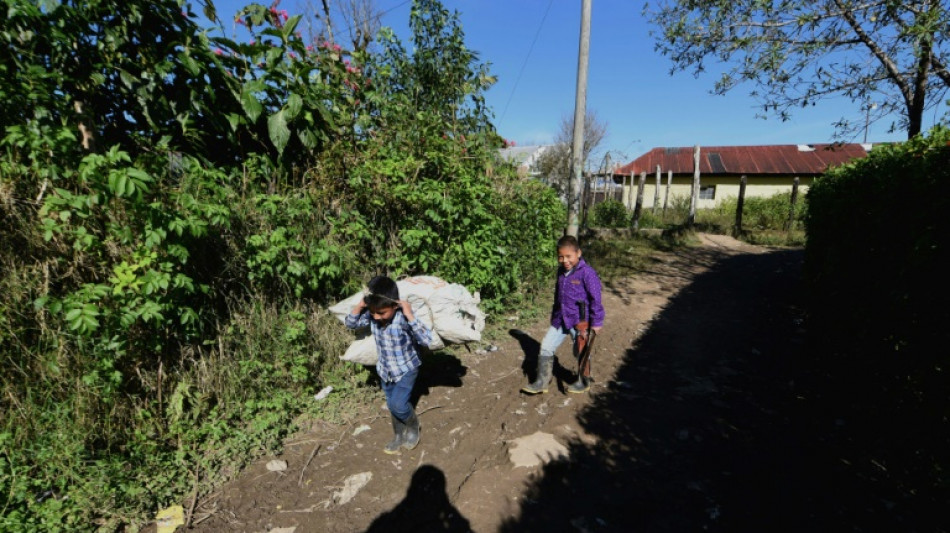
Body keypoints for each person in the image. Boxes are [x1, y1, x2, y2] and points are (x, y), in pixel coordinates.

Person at [345, 275, 433, 454]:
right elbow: (351, 323)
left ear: (395, 305)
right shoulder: (372, 316)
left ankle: (413, 425)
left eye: (382, 313)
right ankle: (398, 435)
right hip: (385, 370)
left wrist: (409, 314)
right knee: (392, 404)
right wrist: (361, 305)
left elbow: (426, 339)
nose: (377, 317)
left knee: (399, 405)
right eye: (373, 312)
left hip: (407, 368)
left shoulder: (402, 319)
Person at [522, 235, 604, 394]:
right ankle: (542, 381)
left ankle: (584, 380)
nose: (565, 260)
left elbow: (596, 299)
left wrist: (597, 322)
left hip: (579, 321)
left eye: (569, 256)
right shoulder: (561, 272)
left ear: (578, 253)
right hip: (561, 319)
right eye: (561, 256)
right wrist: (554, 316)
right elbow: (558, 296)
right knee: (546, 346)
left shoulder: (587, 273)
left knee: (581, 350)